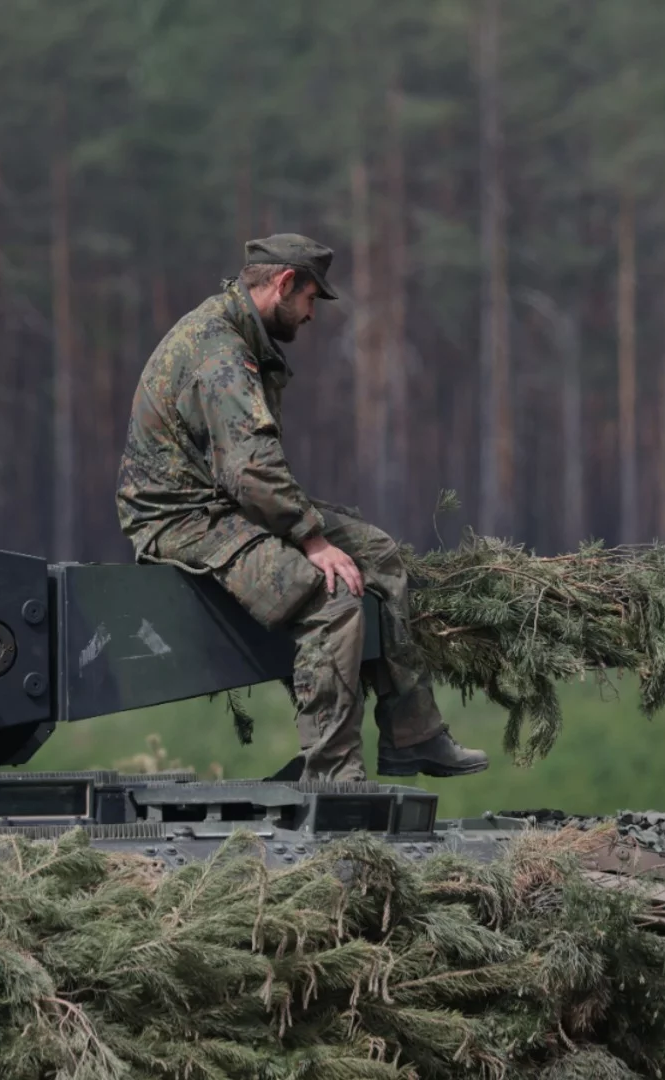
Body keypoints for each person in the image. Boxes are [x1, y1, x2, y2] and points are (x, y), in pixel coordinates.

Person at [114, 233, 489, 782]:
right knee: (331, 599)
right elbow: (249, 469)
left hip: (222, 501)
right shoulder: (219, 351)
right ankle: (332, 773)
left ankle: (414, 734)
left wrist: (314, 533)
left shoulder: (235, 332)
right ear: (284, 284)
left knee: (377, 555)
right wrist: (312, 541)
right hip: (182, 518)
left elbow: (247, 471)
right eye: (311, 298)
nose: (312, 314)